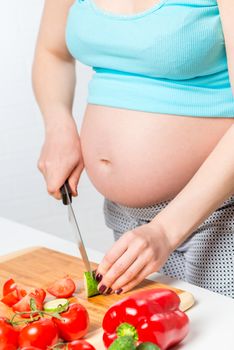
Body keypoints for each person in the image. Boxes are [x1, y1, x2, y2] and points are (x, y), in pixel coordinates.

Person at [32, 0, 234, 298]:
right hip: (130, 226)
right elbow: (54, 52)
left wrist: (165, 231)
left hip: (217, 221)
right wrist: (57, 123)